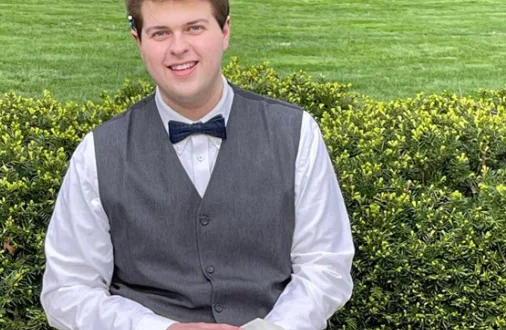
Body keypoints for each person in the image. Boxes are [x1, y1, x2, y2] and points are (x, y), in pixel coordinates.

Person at [40, 0, 355, 329]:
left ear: (225, 31)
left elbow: (326, 268)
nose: (179, 47)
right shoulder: (97, 152)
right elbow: (67, 291)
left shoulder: (296, 132)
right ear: (139, 42)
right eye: (160, 33)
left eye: (194, 28)